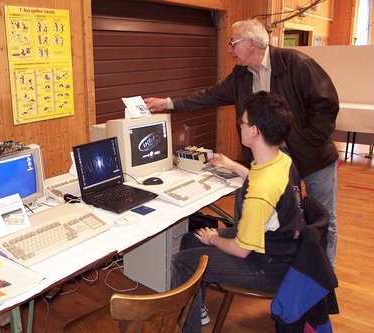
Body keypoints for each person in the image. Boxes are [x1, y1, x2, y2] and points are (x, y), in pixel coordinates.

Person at [145, 18, 339, 268]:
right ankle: (254, 262)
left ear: (251, 43)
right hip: (271, 157)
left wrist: (308, 142)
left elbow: (327, 104)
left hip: (314, 159)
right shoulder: (241, 75)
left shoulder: (297, 65)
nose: (229, 49)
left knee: (323, 219)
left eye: (232, 43)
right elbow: (210, 95)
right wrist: (169, 103)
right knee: (263, 213)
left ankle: (324, 277)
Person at [170, 91, 307, 332]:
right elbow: (260, 179)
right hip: (281, 247)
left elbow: (241, 250)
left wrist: (213, 238)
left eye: (242, 122)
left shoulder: (261, 191)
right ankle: (197, 308)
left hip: (266, 265)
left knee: (182, 262)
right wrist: (231, 165)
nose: (240, 127)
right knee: (191, 240)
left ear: (254, 131)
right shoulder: (282, 160)